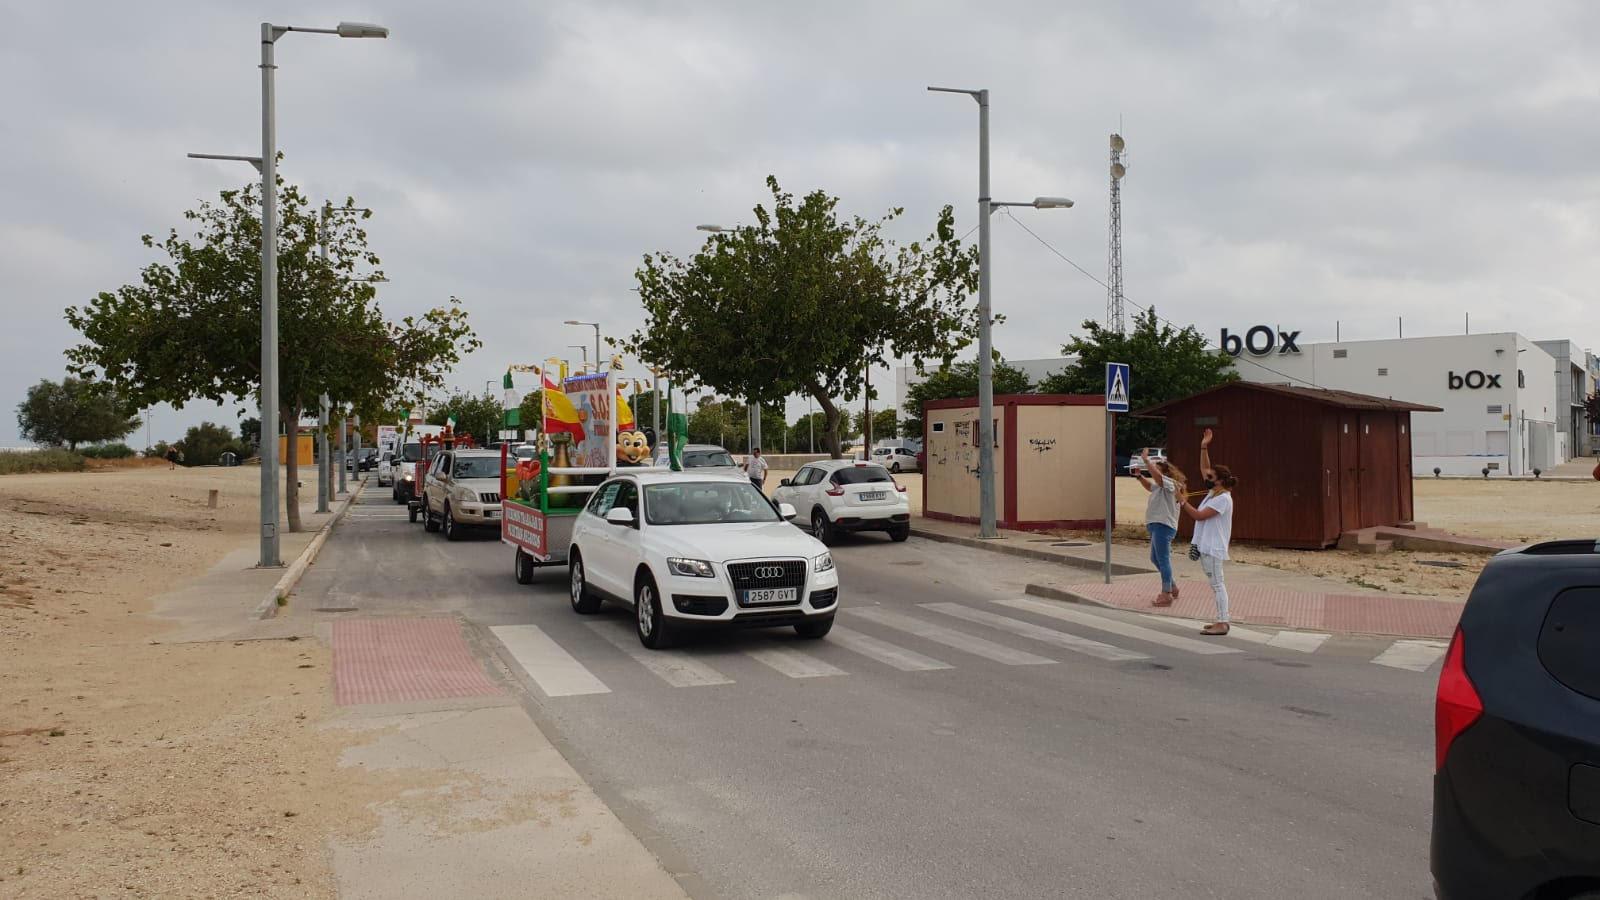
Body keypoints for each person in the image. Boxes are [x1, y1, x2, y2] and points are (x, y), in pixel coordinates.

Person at [1181, 428, 1238, 636]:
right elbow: (1205, 467)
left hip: (1213, 549)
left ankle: (1223, 621)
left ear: (1220, 480)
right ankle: (1220, 619)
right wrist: (1204, 446)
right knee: (1216, 584)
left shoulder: (1223, 499)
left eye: (1211, 477)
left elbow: (1199, 515)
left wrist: (1183, 502)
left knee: (1217, 584)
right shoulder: (1215, 492)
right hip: (1207, 547)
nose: (1207, 477)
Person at [1133, 448, 1185, 607]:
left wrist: (1147, 461)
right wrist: (1140, 477)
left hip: (1164, 525)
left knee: (1163, 559)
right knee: (1155, 558)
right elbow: (1150, 486)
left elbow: (1159, 479)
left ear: (1165, 472)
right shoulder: (1159, 486)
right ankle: (1172, 586)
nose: (1154, 473)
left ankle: (1166, 593)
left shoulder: (1171, 483)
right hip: (1156, 525)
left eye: (1158, 470)